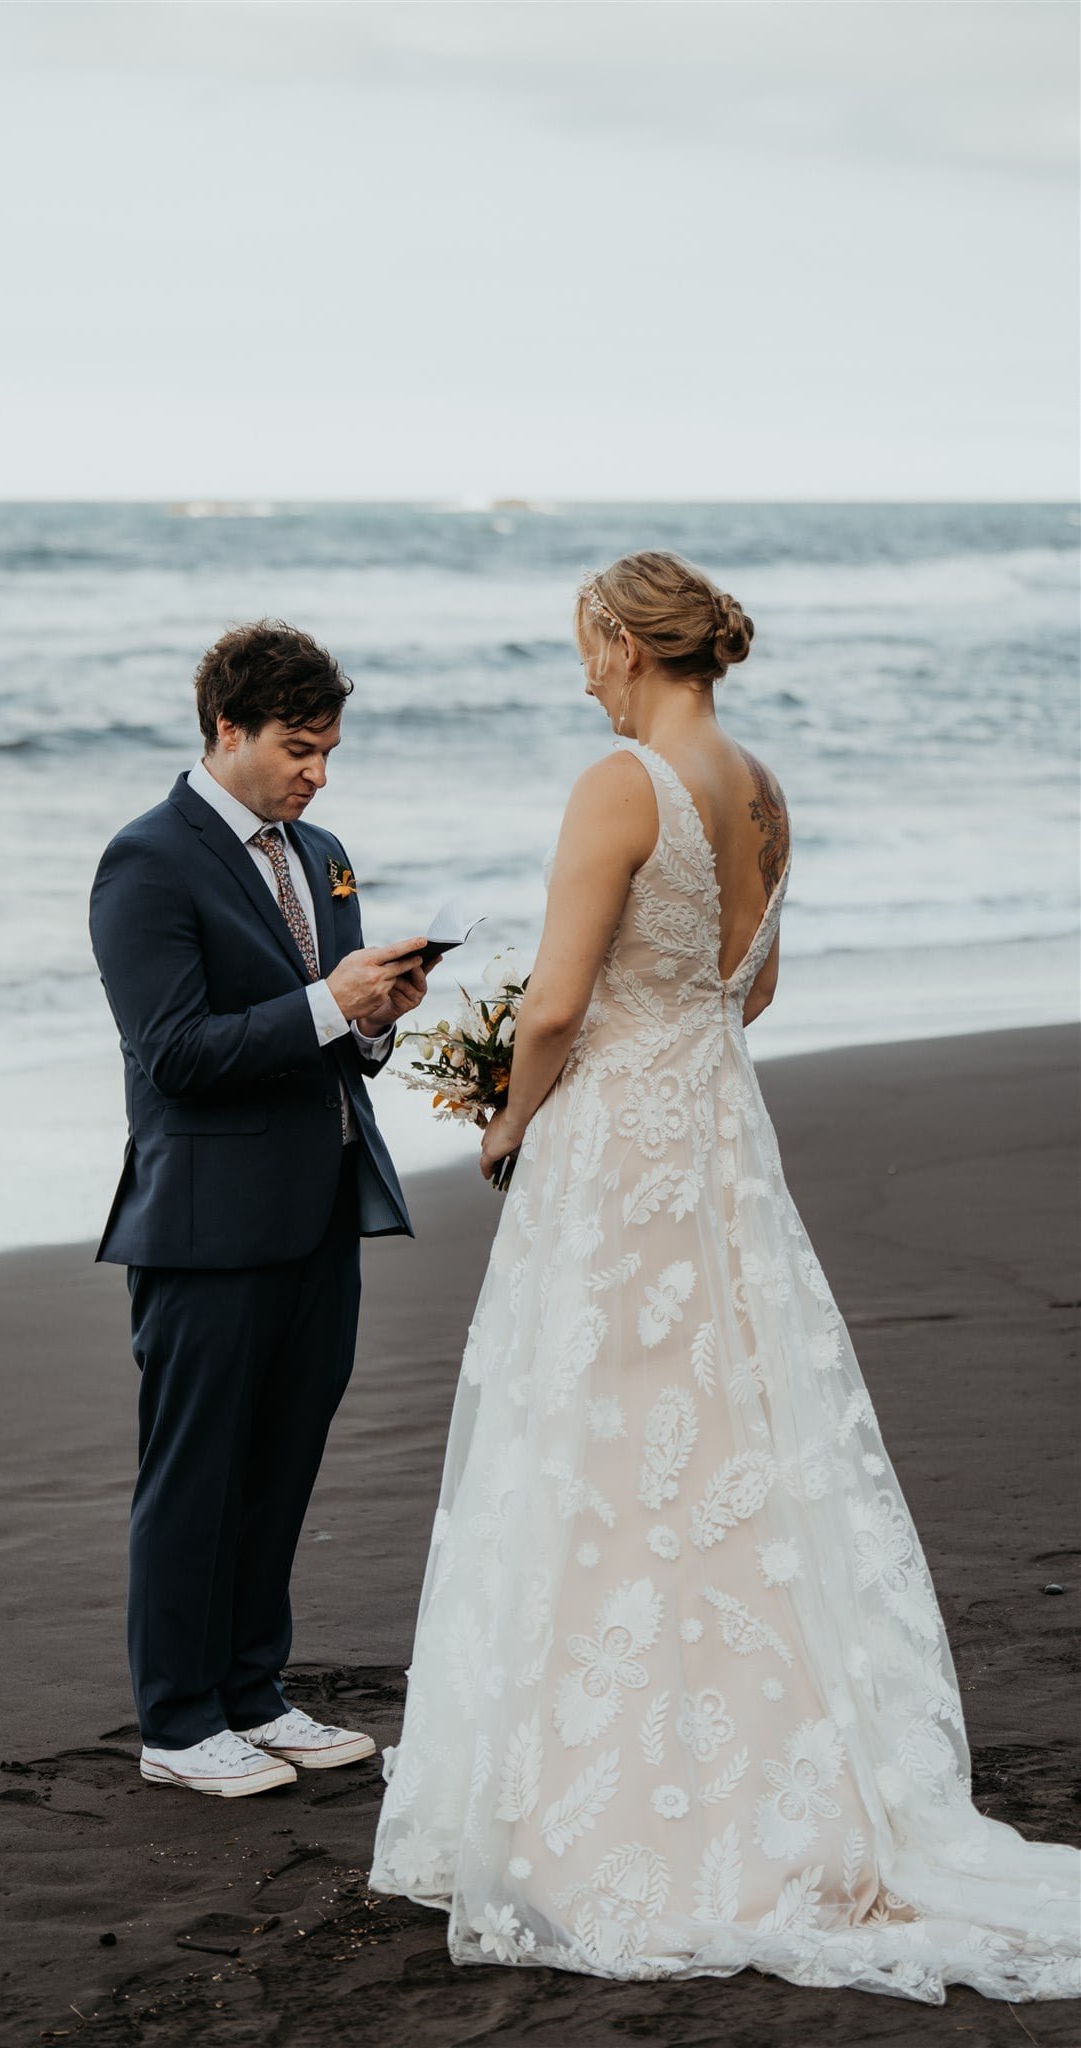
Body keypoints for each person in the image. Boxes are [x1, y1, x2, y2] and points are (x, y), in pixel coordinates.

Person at [370, 552, 1080, 2000]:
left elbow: (560, 1000)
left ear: (631, 643)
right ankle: (778, 1755)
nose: (578, 674)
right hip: (715, 1127)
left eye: (584, 646)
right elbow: (752, 987)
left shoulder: (617, 784)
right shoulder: (760, 787)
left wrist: (507, 1111)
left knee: (605, 1436)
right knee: (732, 1430)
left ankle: (624, 1794)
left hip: (620, 1142)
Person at [90, 619, 427, 1798]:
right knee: (196, 1472)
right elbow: (174, 1053)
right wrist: (330, 1005)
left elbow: (329, 1030)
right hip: (205, 1221)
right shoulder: (147, 859)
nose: (316, 771)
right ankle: (177, 1723)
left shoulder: (321, 849)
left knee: (281, 1463)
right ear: (227, 728)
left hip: (323, 1202)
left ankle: (252, 1690)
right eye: (297, 745)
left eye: (329, 749)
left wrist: (373, 1013)